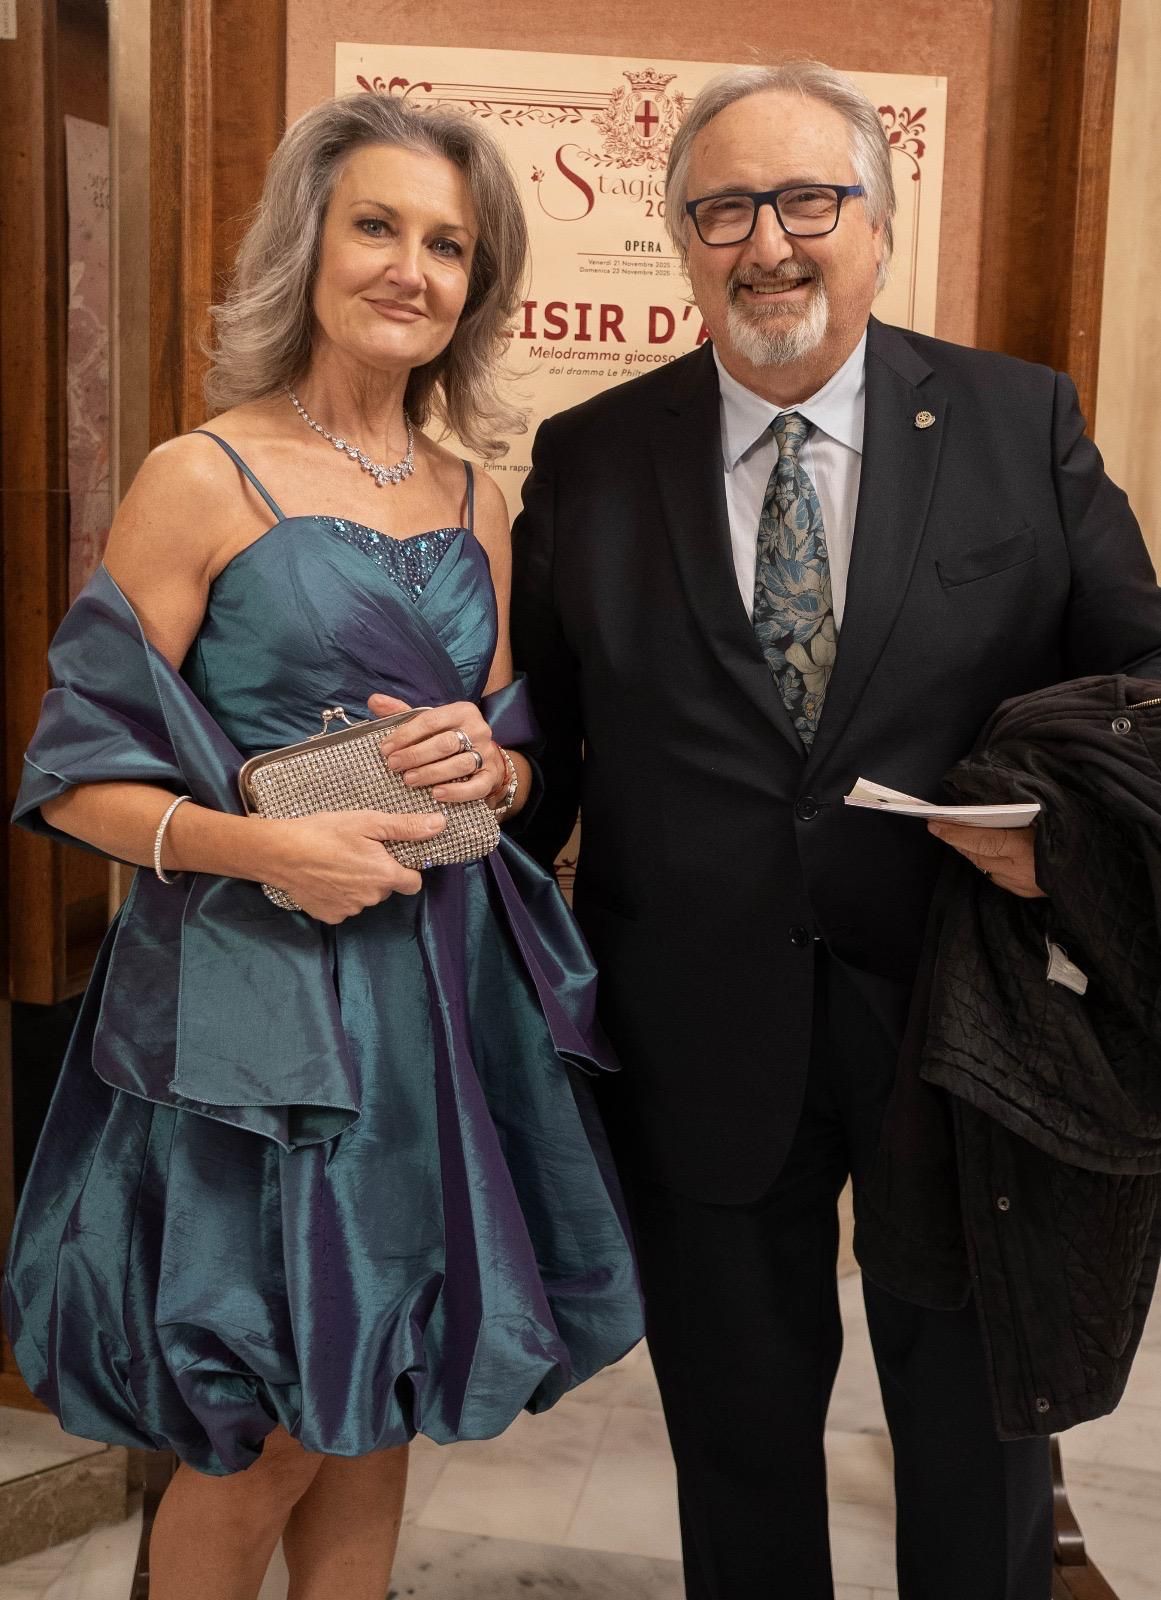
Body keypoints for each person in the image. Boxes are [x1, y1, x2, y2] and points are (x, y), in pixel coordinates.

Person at [510, 59, 1161, 1600]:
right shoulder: (591, 457)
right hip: (694, 1024)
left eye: (807, 200)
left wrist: (1062, 836)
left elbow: (1145, 681)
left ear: (878, 221)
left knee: (976, 1429)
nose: (768, 243)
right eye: (723, 209)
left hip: (968, 1020)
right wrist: (453, 807)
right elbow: (545, 744)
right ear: (682, 240)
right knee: (733, 1432)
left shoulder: (1016, 421)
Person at [6, 92, 641, 1600]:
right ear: (308, 243)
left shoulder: (480, 497)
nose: (411, 269)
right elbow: (72, 777)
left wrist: (495, 764)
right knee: (267, 1425)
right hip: (263, 1012)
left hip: (440, 1000)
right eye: (376, 226)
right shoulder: (199, 475)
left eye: (448, 244)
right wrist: (268, 851)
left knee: (383, 1394)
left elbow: (506, 756)